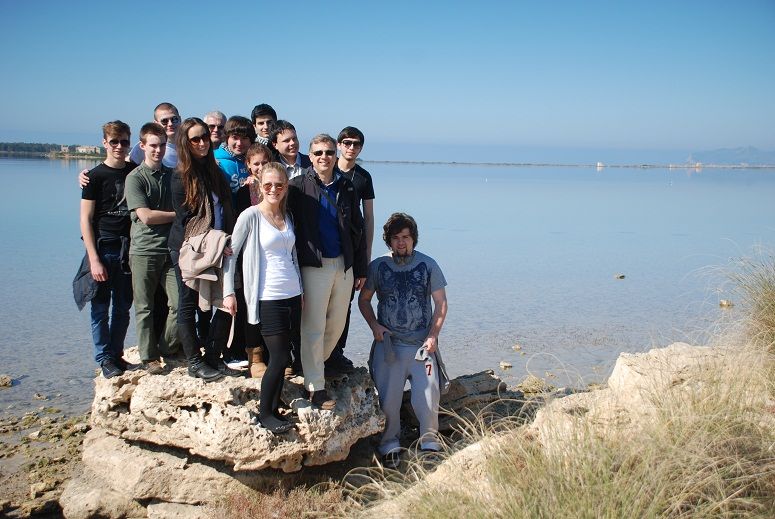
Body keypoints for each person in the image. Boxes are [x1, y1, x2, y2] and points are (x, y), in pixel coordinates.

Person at [358, 213, 449, 469]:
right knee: (389, 400)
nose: (401, 243)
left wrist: (433, 335)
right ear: (388, 240)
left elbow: (441, 304)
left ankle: (429, 443)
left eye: (406, 237)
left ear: (413, 239)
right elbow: (363, 300)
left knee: (429, 397)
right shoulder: (377, 266)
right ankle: (389, 444)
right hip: (389, 347)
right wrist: (374, 325)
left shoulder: (429, 265)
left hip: (422, 345)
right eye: (396, 238)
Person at [287, 134, 367, 409]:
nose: (324, 157)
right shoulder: (297, 187)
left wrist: (360, 267)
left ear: (336, 155)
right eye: (318, 152)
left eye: (329, 152)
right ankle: (316, 387)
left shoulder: (347, 187)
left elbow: (358, 228)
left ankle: (309, 367)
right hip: (314, 265)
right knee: (314, 326)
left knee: (336, 325)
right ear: (310, 157)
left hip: (343, 264)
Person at [224, 163, 302, 434]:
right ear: (259, 185)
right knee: (278, 357)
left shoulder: (287, 215)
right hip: (267, 297)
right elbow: (230, 256)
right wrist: (228, 292)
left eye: (279, 185)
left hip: (291, 294)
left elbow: (291, 256)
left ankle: (276, 408)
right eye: (267, 185)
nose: (273, 189)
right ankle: (264, 412)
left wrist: (301, 292)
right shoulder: (250, 216)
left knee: (284, 355)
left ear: (285, 187)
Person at [169, 117, 236, 381]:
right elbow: (186, 221)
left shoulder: (216, 172)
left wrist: (227, 241)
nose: (201, 143)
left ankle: (212, 357)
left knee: (223, 302)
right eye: (194, 139)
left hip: (221, 248)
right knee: (188, 304)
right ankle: (194, 362)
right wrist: (216, 243)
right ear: (185, 143)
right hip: (189, 250)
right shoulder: (180, 177)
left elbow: (227, 209)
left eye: (204, 138)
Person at [76, 121, 138, 378]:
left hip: (128, 250)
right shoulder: (94, 177)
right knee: (100, 308)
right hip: (103, 248)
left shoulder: (135, 172)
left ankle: (117, 353)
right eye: (115, 142)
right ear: (105, 143)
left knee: (123, 307)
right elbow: (85, 219)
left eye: (124, 142)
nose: (120, 147)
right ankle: (104, 358)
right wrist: (93, 258)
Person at [124, 122, 180, 374]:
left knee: (180, 305)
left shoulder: (172, 175)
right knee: (145, 307)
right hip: (144, 251)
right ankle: (149, 357)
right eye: (153, 145)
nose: (157, 150)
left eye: (161, 145)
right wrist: (176, 214)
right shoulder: (135, 178)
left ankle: (166, 348)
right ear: (143, 146)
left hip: (170, 250)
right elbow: (145, 216)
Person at [327, 126, 376, 375]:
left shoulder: (363, 177)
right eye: (347, 143)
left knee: (344, 304)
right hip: (325, 246)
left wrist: (365, 260)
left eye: (356, 144)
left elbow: (368, 219)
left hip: (351, 248)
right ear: (338, 144)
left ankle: (337, 352)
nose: (351, 148)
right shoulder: (326, 168)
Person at [214, 116, 256, 200]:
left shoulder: (257, 161)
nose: (239, 143)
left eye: (244, 138)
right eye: (235, 138)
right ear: (227, 138)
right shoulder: (214, 160)